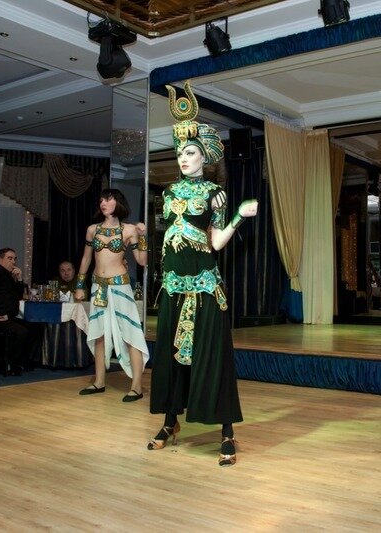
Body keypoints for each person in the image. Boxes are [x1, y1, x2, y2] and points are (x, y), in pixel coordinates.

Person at [148, 81, 258, 467]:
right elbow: (168, 238)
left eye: (191, 152)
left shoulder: (214, 193)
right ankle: (170, 421)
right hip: (173, 286)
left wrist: (239, 216)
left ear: (204, 156)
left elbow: (216, 243)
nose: (184, 158)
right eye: (180, 152)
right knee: (170, 358)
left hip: (206, 287)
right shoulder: (167, 194)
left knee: (214, 358)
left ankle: (227, 430)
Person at [74, 189, 149, 401]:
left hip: (120, 286)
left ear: (118, 202)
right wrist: (80, 285)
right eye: (101, 200)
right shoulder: (92, 229)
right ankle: (99, 381)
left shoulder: (129, 229)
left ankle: (136, 386)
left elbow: (142, 261)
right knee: (98, 333)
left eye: (108, 199)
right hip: (98, 286)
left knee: (131, 332)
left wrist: (143, 236)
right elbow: (86, 259)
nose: (103, 203)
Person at [0, 248, 32, 376]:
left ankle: (22, 362)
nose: (13, 262)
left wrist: (19, 279)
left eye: (14, 259)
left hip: (7, 316)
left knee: (34, 327)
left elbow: (18, 295)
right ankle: (10, 364)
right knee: (21, 331)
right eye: (9, 258)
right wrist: (2, 313)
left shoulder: (7, 275)